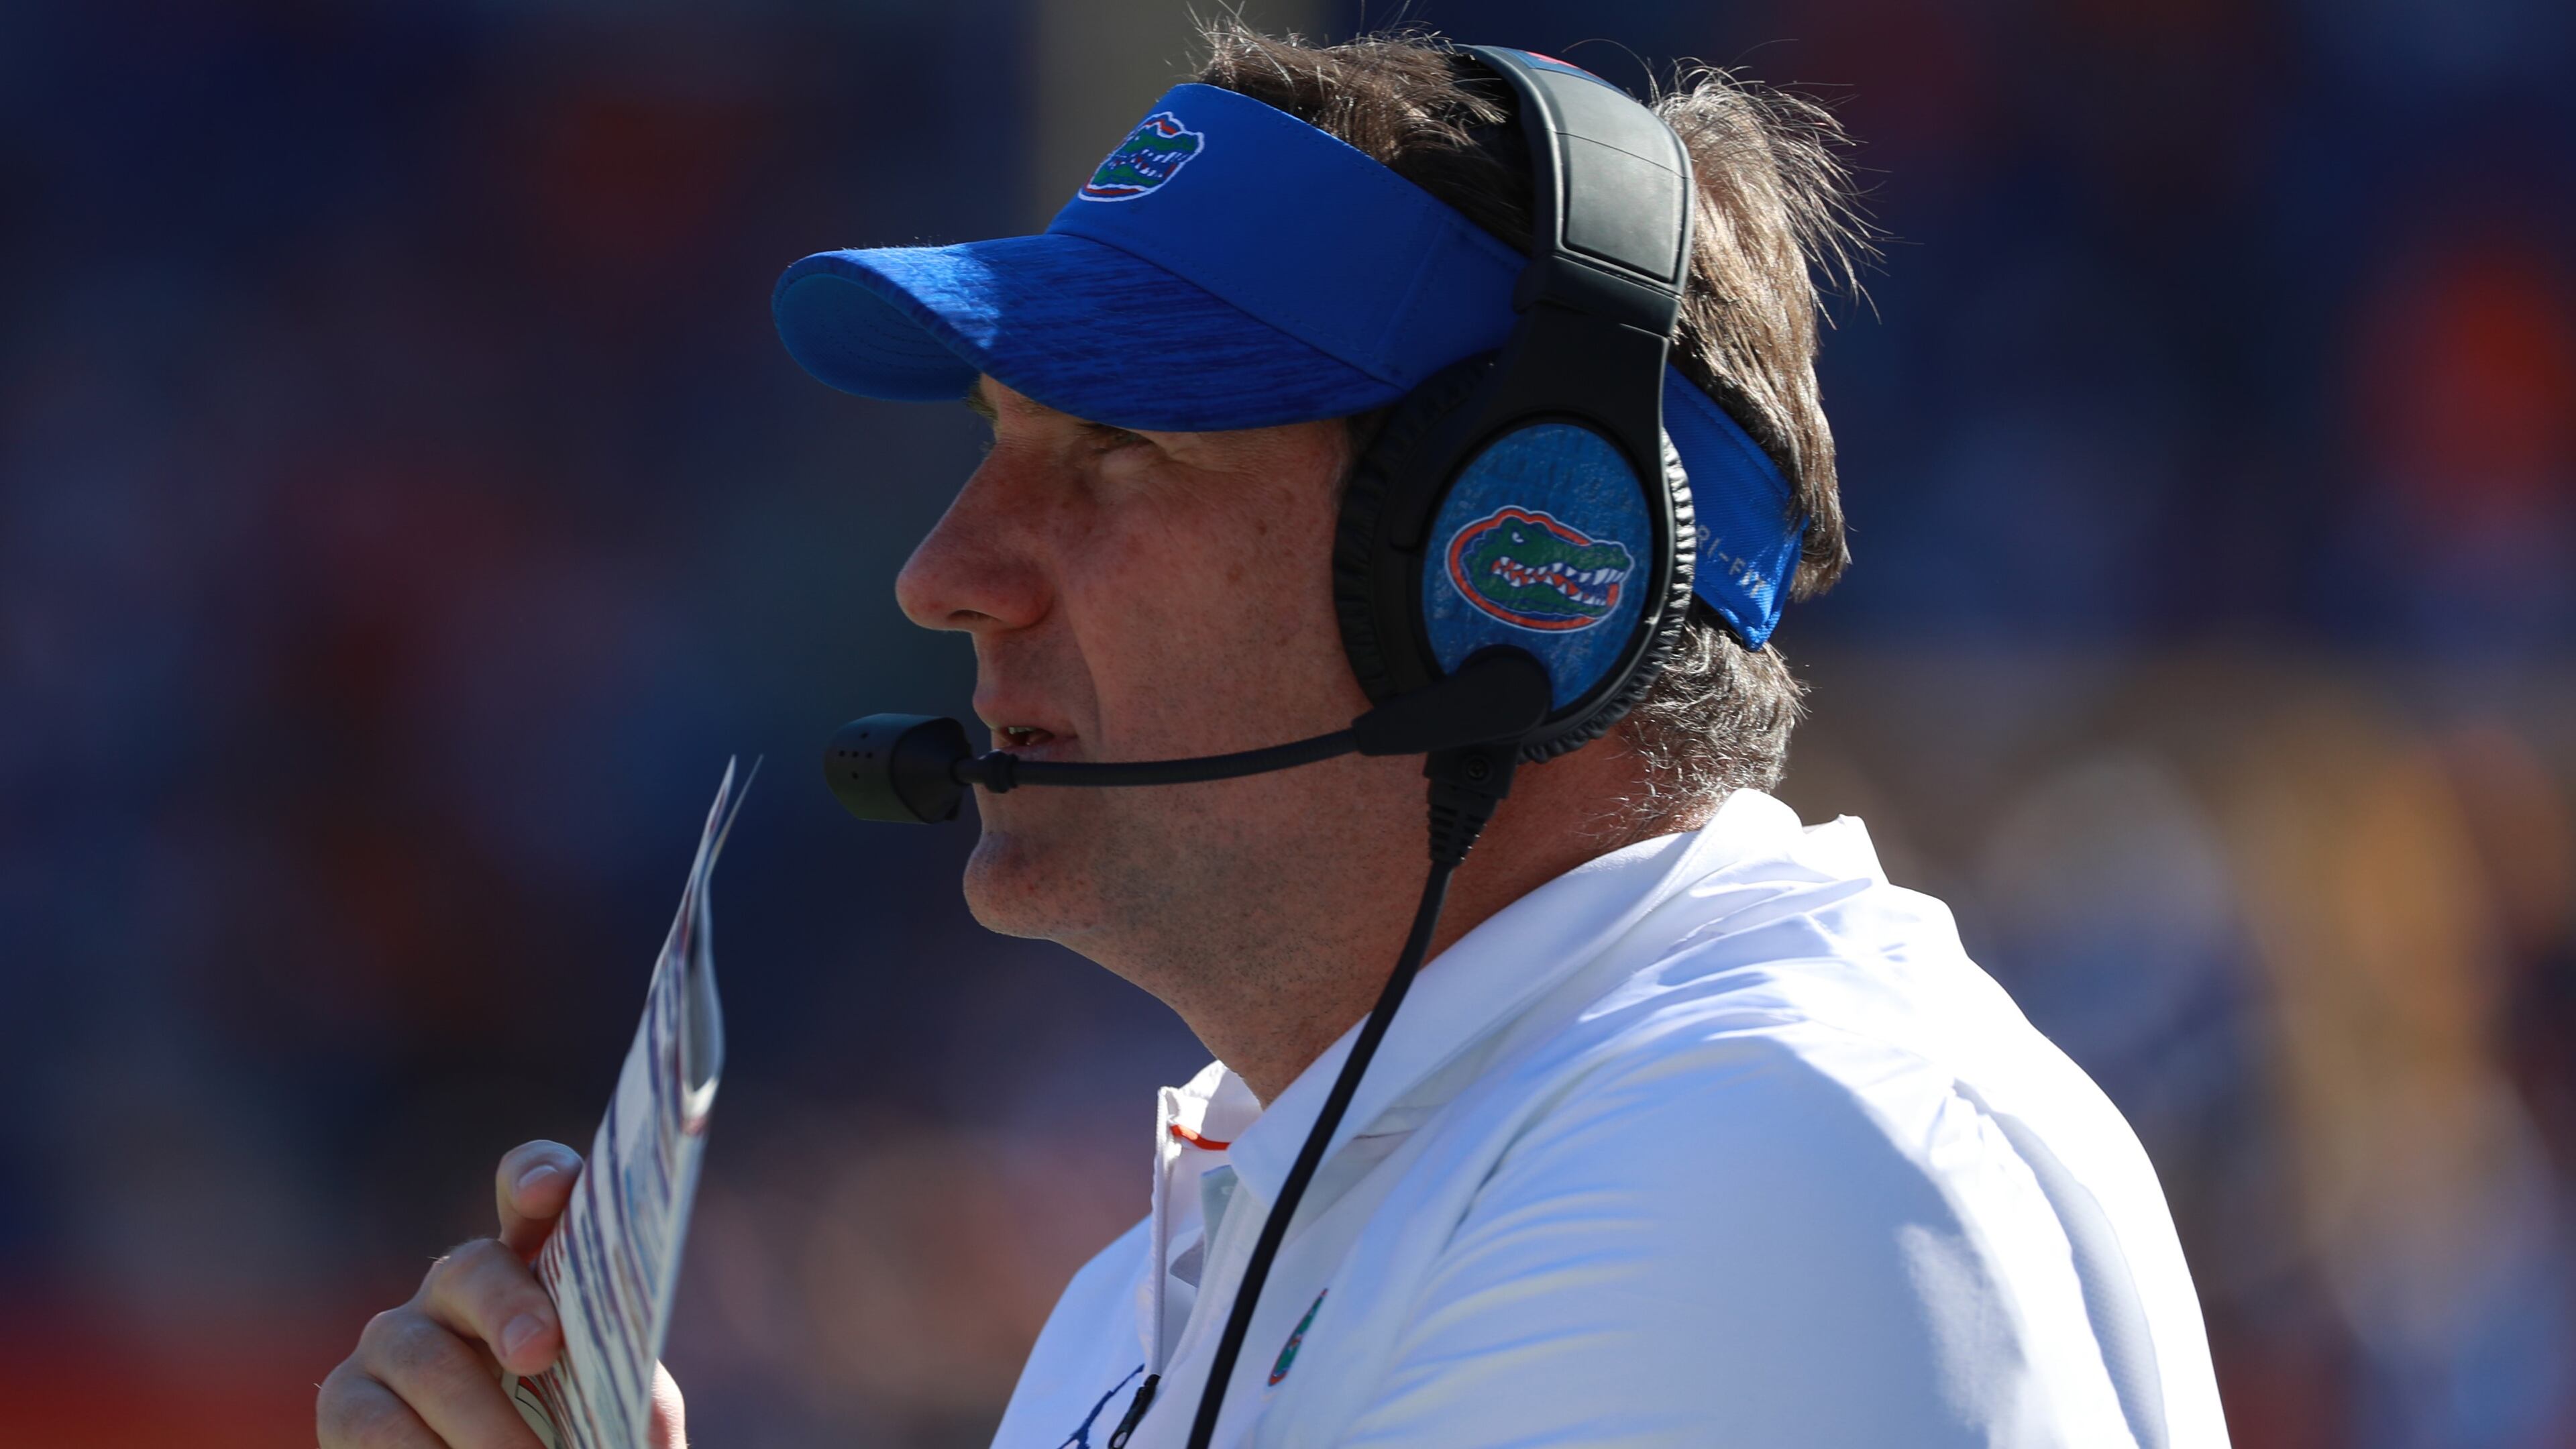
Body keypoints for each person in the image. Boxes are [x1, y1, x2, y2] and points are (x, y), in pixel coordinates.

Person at [317, 25, 2230, 1449]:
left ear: (1513, 563)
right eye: (994, 445)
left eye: (1118, 450)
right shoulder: (1198, 1272)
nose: (946, 574)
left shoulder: (1773, 1171)